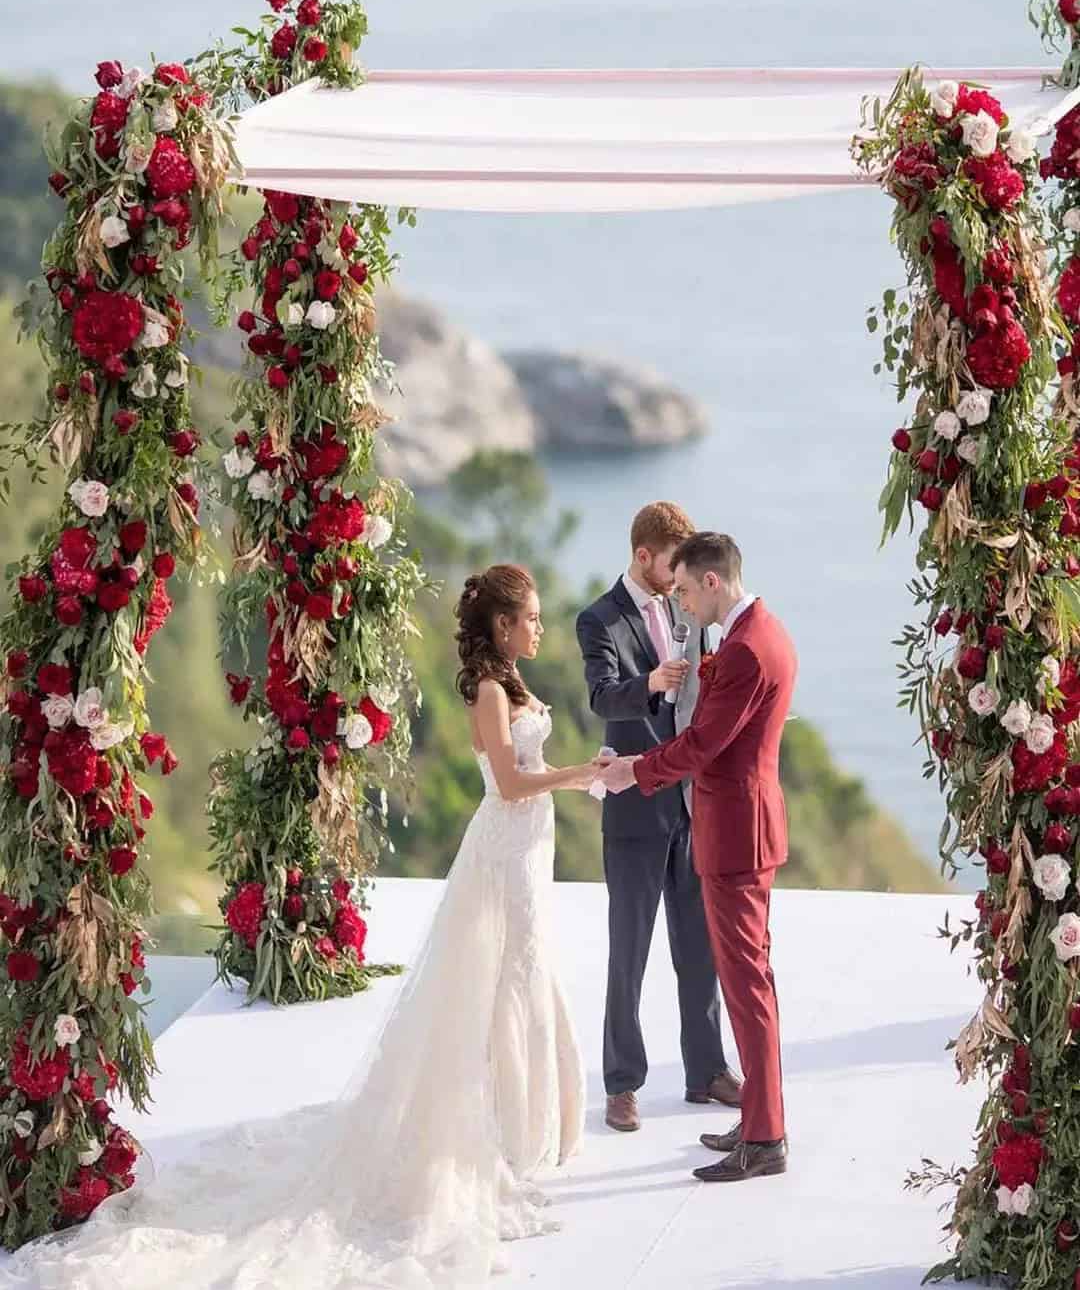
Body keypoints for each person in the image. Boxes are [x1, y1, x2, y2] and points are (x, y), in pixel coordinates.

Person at [1, 564, 594, 1289]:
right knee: (500, 978)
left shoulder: (514, 680)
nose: (539, 627)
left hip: (530, 848)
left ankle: (531, 1120)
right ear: (503, 626)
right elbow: (505, 784)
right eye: (530, 618)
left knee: (527, 967)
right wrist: (577, 775)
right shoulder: (493, 692)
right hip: (505, 848)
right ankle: (499, 1127)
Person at [598, 532, 796, 1183]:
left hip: (736, 834)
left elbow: (704, 745)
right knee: (751, 983)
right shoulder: (768, 632)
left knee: (745, 988)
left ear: (712, 582)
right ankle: (761, 1119)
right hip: (748, 825)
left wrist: (633, 770)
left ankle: (765, 1139)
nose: (678, 602)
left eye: (683, 589)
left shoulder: (741, 651)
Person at [576, 503, 739, 1135]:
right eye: (674, 563)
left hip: (690, 804)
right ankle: (622, 1085)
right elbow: (600, 697)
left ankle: (707, 1071)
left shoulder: (683, 608)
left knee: (699, 946)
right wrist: (648, 681)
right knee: (629, 953)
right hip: (633, 807)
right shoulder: (598, 618)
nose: (682, 576)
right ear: (645, 555)